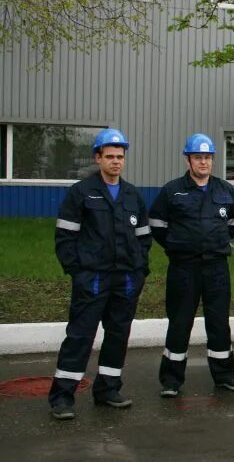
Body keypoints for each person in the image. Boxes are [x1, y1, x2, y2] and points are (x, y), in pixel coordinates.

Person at [49, 128, 152, 420]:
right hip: (92, 278)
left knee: (118, 335)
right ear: (98, 158)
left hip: (126, 279)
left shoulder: (133, 195)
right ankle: (62, 397)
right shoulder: (81, 193)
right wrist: (77, 271)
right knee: (80, 335)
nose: (116, 162)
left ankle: (107, 390)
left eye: (120, 157)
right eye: (110, 156)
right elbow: (65, 238)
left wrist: (140, 270)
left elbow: (143, 237)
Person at [149, 133, 234, 397]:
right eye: (198, 158)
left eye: (207, 158)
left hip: (216, 268)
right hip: (184, 268)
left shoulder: (225, 190)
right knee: (180, 323)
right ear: (188, 160)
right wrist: (177, 245)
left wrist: (215, 241)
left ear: (212, 160)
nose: (203, 162)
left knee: (218, 323)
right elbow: (157, 224)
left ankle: (225, 377)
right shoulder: (172, 190)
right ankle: (171, 381)